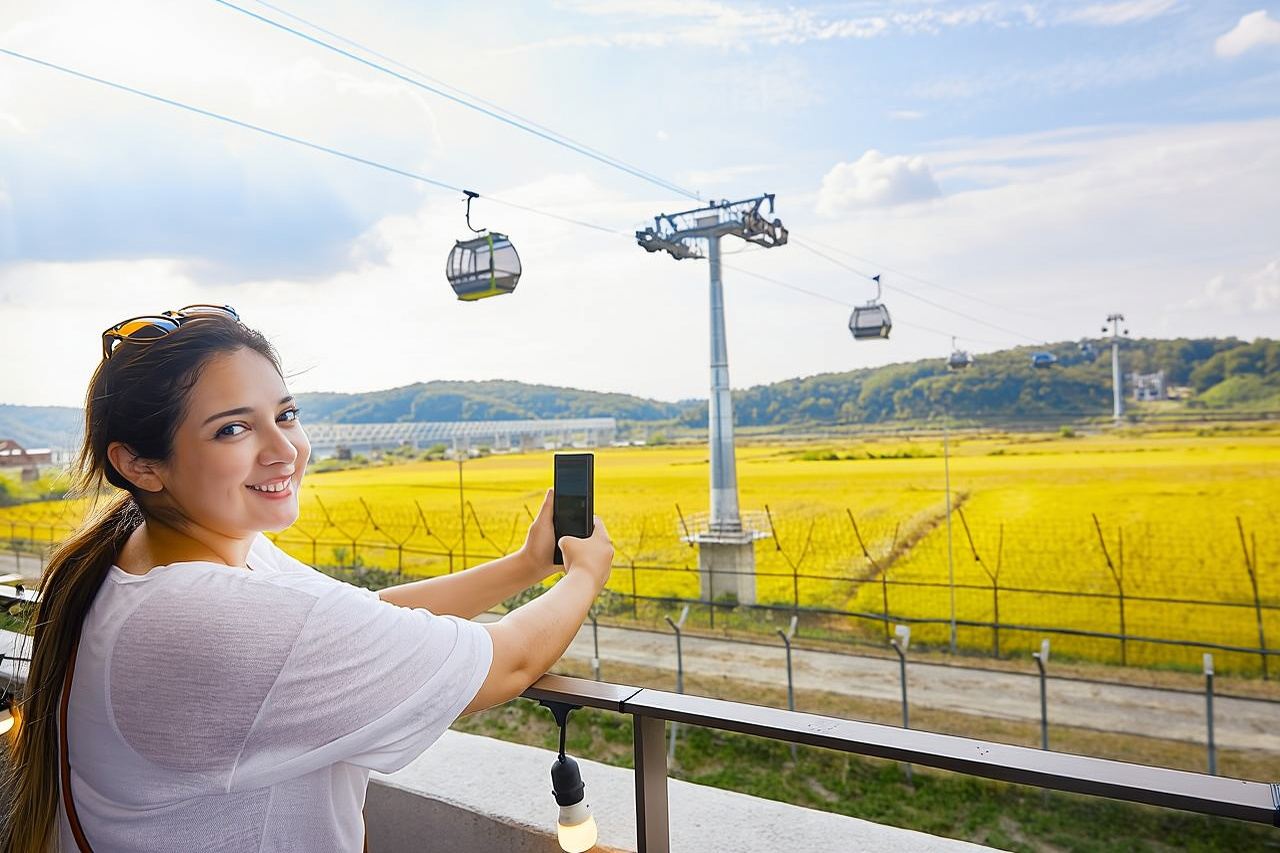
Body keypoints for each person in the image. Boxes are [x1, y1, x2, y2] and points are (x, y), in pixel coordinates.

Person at [0, 305, 614, 852]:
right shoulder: (201, 612)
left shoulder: (152, 552)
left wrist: (526, 566)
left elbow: (361, 616)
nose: (284, 449)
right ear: (138, 463)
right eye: (232, 429)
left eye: (285, 414)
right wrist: (584, 577)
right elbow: (504, 663)